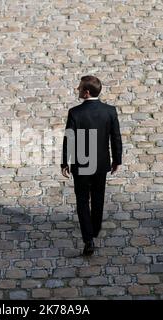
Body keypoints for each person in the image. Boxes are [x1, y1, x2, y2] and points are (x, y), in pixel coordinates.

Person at [61, 76, 123, 256]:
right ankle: (95, 229)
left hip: (82, 164)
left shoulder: (75, 113)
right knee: (98, 198)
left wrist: (65, 161)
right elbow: (115, 137)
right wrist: (117, 159)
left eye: (79, 88)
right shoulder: (109, 111)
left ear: (86, 93)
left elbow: (69, 139)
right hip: (101, 163)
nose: (77, 89)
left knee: (82, 201)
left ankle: (88, 239)